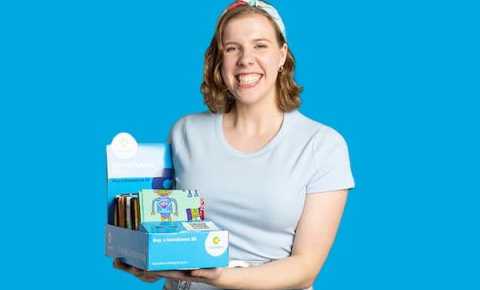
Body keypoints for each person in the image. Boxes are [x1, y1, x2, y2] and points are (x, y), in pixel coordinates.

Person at [114, 1, 355, 289]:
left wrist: (222, 277)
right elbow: (167, 229)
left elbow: (306, 267)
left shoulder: (322, 146)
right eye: (232, 48)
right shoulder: (185, 132)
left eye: (260, 46)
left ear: (282, 55)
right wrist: (147, 261)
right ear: (219, 60)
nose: (245, 60)